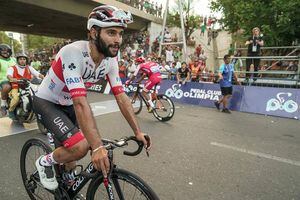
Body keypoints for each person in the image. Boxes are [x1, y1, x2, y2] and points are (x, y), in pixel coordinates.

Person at [33, 5, 151, 191]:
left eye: (120, 34)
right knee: (81, 146)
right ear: (94, 33)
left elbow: (121, 97)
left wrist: (137, 131)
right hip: (48, 102)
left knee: (73, 155)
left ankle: (66, 183)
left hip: (68, 103)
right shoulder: (73, 52)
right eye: (111, 32)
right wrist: (96, 148)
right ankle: (44, 162)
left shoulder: (110, 59)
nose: (117, 40)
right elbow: (80, 102)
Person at [6, 53, 44, 119]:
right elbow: (9, 76)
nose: (22, 60)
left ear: (26, 60)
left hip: (28, 86)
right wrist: (13, 79)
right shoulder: (12, 68)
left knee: (38, 96)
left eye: (24, 59)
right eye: (20, 59)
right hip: (16, 87)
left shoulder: (29, 68)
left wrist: (44, 77)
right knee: (16, 99)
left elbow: (37, 74)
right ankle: (10, 111)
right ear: (17, 60)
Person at [0, 44, 16, 116]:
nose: (6, 53)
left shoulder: (14, 59)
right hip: (4, 80)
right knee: (7, 87)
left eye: (7, 51)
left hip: (16, 79)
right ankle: (3, 104)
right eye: (3, 51)